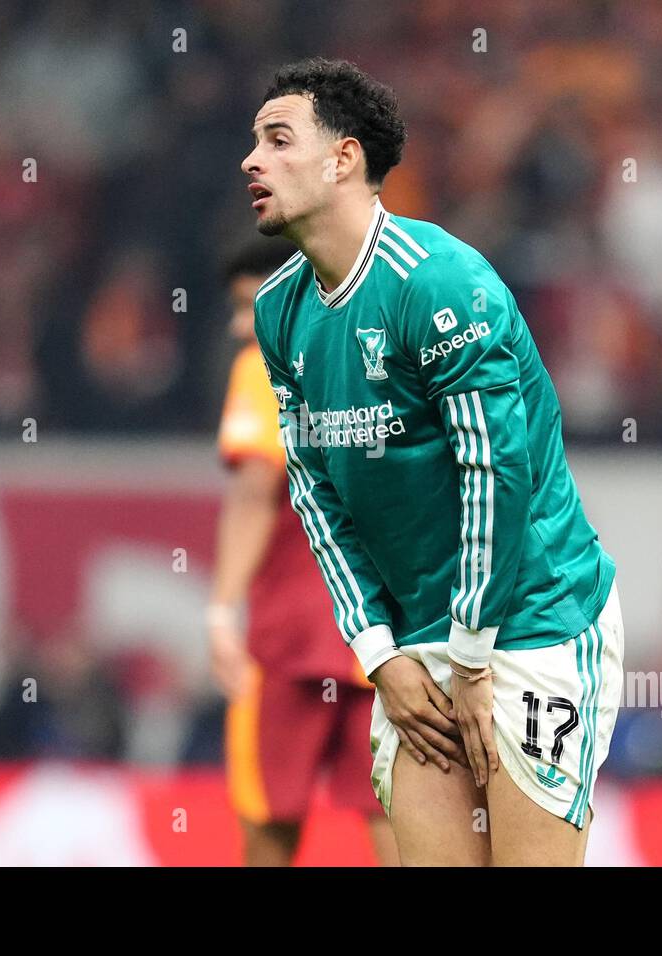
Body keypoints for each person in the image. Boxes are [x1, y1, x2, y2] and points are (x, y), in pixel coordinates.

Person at [241, 58, 623, 866]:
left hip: (531, 624)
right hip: (416, 644)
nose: (253, 161)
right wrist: (379, 653)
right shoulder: (278, 311)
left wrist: (474, 655)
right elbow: (315, 494)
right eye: (254, 143)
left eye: (278, 140)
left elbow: (496, 473)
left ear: (344, 159)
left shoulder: (442, 284)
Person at [208, 239, 399, 866]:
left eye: (247, 306)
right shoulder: (387, 354)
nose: (241, 325)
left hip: (289, 637)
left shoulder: (267, 362)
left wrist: (220, 607)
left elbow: (256, 492)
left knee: (268, 828)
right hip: (389, 640)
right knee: (399, 825)